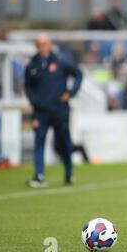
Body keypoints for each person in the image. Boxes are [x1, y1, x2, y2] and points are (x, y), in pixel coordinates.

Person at [24, 34, 83, 187]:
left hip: (60, 110)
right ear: (36, 46)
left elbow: (78, 74)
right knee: (39, 141)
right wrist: (34, 101)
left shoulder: (61, 61)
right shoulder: (32, 65)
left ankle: (69, 172)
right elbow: (27, 86)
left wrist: (71, 93)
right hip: (40, 111)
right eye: (39, 44)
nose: (42, 47)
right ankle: (39, 175)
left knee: (63, 143)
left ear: (50, 45)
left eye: (45, 44)